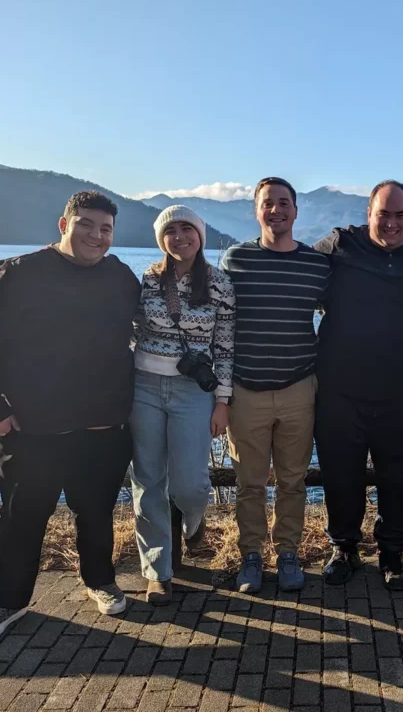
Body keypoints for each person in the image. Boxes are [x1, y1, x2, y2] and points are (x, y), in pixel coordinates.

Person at [0, 191, 141, 643]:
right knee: (23, 518)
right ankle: (10, 601)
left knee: (97, 514)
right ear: (64, 226)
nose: (96, 236)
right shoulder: (18, 274)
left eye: (105, 229)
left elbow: (149, 333)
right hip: (32, 430)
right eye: (86, 224)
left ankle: (99, 581)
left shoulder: (120, 277)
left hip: (102, 429)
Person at [314, 180, 403, 590]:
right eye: (383, 214)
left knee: (402, 478)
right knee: (340, 476)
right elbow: (294, 273)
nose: (391, 223)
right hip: (339, 390)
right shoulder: (339, 246)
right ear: (368, 213)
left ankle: (392, 553)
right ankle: (345, 548)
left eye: (400, 214)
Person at [220, 177, 330, 593]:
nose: (276, 210)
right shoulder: (236, 260)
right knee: (249, 482)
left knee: (292, 480)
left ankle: (288, 553)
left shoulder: (317, 266)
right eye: (268, 203)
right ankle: (251, 555)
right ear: (256, 210)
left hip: (299, 387)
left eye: (284, 203)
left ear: (296, 211)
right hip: (246, 390)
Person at [129, 205, 236, 605]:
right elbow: (128, 329)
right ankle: (157, 570)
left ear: (200, 236)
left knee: (192, 484)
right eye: (170, 230)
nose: (179, 237)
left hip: (194, 391)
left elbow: (225, 346)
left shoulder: (220, 284)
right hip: (144, 387)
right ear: (161, 239)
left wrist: (222, 401)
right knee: (148, 478)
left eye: (187, 229)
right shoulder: (148, 280)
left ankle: (193, 526)